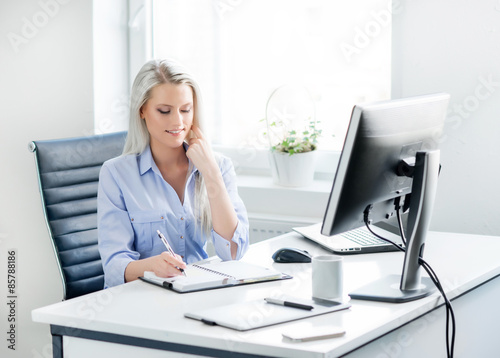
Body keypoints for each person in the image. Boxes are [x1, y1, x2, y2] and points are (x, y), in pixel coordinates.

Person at [97, 59, 249, 288]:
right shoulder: (116, 174)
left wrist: (210, 173)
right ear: (142, 110)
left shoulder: (219, 167)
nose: (178, 121)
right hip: (141, 301)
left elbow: (233, 252)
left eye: (186, 110)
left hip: (199, 294)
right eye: (164, 111)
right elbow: (114, 266)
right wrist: (151, 266)